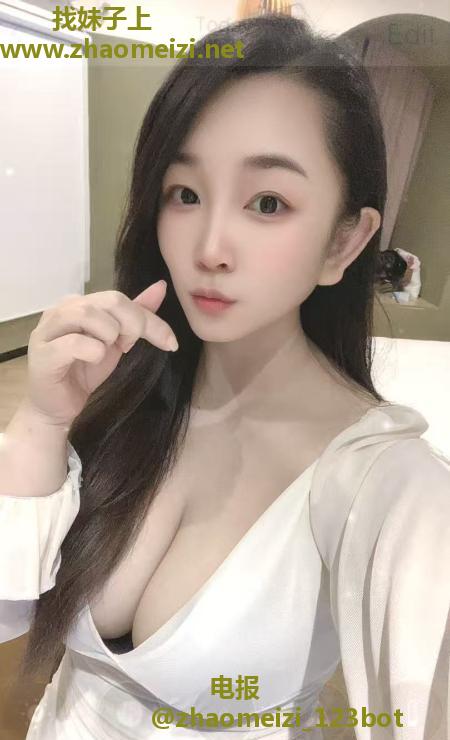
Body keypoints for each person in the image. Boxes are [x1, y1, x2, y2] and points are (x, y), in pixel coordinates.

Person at [0, 14, 449, 740]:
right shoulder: (131, 392)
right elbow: (9, 612)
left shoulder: (385, 483)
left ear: (343, 242)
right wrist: (40, 426)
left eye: (268, 203)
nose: (209, 247)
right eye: (184, 193)